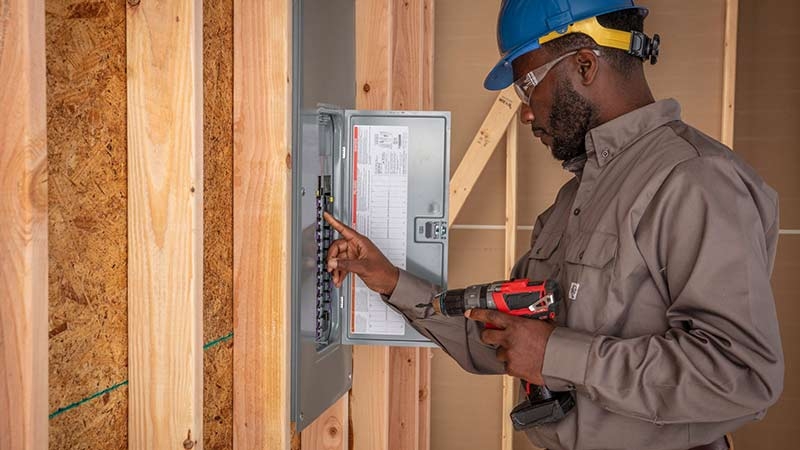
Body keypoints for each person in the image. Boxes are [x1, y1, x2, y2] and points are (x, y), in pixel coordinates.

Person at [324, 1, 784, 449]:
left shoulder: (696, 180)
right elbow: (505, 337)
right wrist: (388, 280)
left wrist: (556, 356)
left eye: (527, 86)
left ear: (585, 64)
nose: (525, 111)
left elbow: (741, 374)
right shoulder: (575, 198)